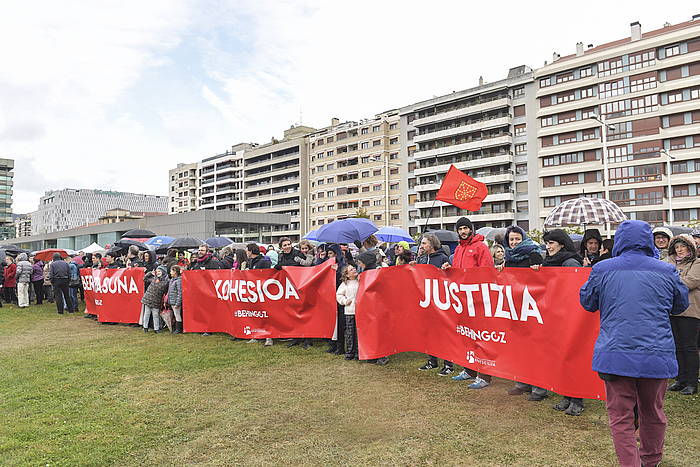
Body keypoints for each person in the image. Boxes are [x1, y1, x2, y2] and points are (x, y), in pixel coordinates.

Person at [580, 220, 689, 467]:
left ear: (619, 240)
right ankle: (651, 461)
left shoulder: (603, 269)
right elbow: (681, 304)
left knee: (621, 417)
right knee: (653, 413)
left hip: (616, 354)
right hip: (656, 354)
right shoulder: (666, 270)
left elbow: (588, 302)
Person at [442, 217, 495, 387]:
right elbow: (457, 272)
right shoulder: (458, 249)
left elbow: (487, 271)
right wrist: (448, 269)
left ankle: (484, 375)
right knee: (466, 335)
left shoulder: (481, 247)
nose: (463, 231)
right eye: (460, 229)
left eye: (466, 228)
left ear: (471, 229)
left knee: (481, 337)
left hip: (477, 298)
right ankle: (469, 369)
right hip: (462, 299)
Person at [498, 225, 547, 400]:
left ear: (523, 238)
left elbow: (543, 277)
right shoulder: (508, 257)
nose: (514, 242)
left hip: (533, 308)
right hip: (516, 308)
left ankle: (539, 388)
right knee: (519, 347)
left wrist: (537, 271)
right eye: (511, 239)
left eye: (517, 239)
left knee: (535, 348)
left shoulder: (533, 253)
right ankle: (522, 382)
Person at [540, 229, 585, 415]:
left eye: (551, 243)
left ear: (561, 244)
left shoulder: (570, 262)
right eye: (547, 243)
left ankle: (577, 399)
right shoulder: (549, 261)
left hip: (570, 316)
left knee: (572, 357)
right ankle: (566, 395)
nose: (548, 246)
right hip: (555, 315)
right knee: (560, 357)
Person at [665, 234, 699, 395]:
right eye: (677, 247)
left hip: (690, 311)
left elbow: (691, 281)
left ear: (689, 247)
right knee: (677, 346)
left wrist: (672, 281)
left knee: (689, 346)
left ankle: (692, 382)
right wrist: (678, 279)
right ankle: (681, 379)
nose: (679, 250)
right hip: (673, 310)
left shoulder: (697, 262)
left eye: (682, 246)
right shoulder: (668, 262)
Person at [415, 234, 453, 376]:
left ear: (432, 244)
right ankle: (432, 361)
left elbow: (449, 276)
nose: (422, 246)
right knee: (428, 332)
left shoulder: (442, 258)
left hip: (440, 300)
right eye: (422, 243)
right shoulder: (422, 258)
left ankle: (448, 364)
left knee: (443, 333)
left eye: (424, 243)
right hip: (426, 301)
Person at [355, 250, 389, 365]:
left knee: (379, 331)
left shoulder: (377, 271)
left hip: (378, 306)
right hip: (368, 306)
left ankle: (382, 355)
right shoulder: (365, 272)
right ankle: (372, 354)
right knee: (370, 331)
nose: (359, 265)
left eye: (361, 262)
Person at [337, 264, 360, 360]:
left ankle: (358, 353)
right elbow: (339, 295)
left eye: (354, 268)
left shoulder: (360, 281)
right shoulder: (345, 284)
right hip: (350, 311)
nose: (354, 269)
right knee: (350, 333)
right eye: (351, 269)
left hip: (360, 311)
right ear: (347, 274)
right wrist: (345, 301)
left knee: (358, 334)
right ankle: (350, 352)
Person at [141, 265, 170, 333]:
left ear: (163, 272)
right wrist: (150, 273)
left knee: (155, 315)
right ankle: (145, 327)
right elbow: (144, 279)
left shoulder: (166, 281)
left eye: (159, 271)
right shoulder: (154, 278)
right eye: (157, 271)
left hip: (156, 300)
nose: (158, 273)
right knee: (147, 314)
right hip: (148, 298)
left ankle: (156, 328)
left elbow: (165, 291)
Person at [168, 265, 183, 334]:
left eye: (171, 271)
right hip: (172, 301)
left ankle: (178, 329)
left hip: (175, 302)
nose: (170, 272)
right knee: (175, 314)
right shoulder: (172, 280)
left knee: (177, 315)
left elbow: (180, 293)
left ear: (175, 272)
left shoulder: (179, 281)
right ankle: (176, 328)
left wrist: (178, 303)